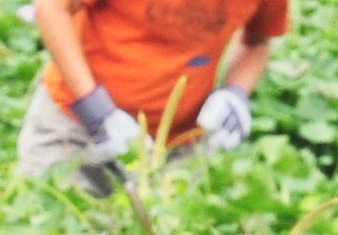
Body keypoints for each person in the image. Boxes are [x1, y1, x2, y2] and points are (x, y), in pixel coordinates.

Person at [19, 0, 287, 195]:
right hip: (73, 128)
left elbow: (257, 41)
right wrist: (94, 109)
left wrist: (235, 93)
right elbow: (53, 8)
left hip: (178, 146)